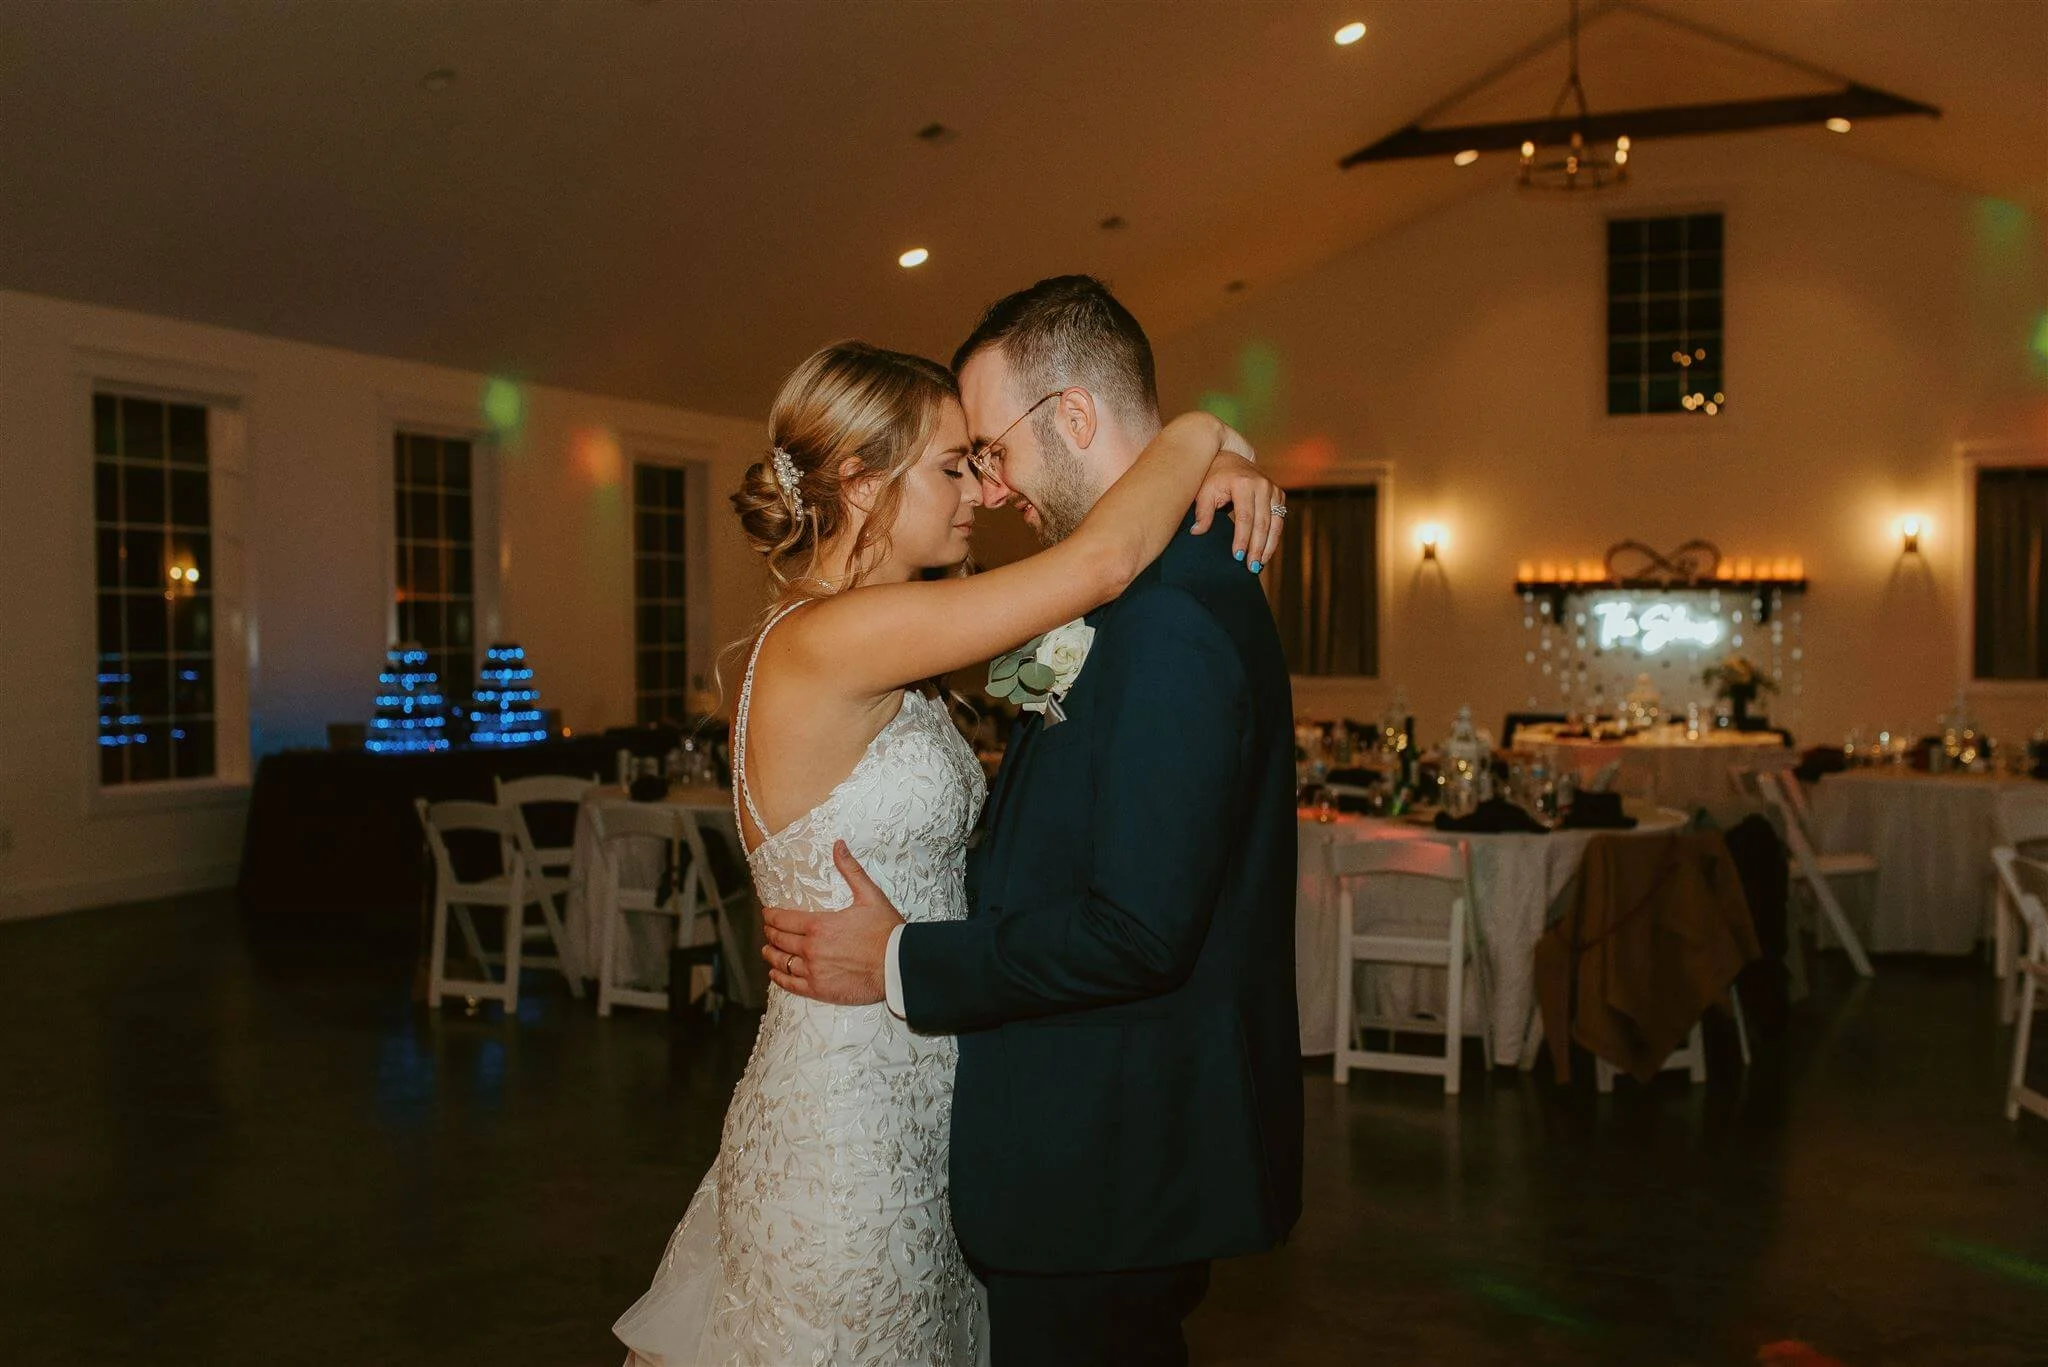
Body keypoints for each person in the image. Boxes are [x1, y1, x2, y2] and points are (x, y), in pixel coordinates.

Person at [613, 333, 1284, 1366]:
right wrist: (1204, 430)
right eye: (953, 466)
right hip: (850, 1111)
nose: (980, 492)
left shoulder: (894, 640)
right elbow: (1100, 564)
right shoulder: (831, 639)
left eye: (982, 459)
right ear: (860, 482)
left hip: (923, 1080)